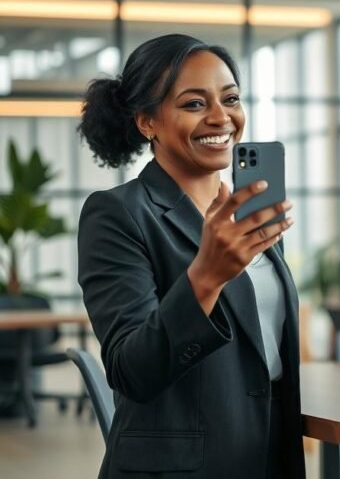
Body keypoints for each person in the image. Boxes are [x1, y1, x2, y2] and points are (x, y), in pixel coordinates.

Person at [76, 34, 303, 479]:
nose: (221, 117)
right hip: (182, 467)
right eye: (194, 104)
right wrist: (205, 276)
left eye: (231, 98)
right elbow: (131, 370)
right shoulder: (117, 214)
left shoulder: (248, 215)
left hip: (268, 449)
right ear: (147, 122)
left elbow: (262, 352)